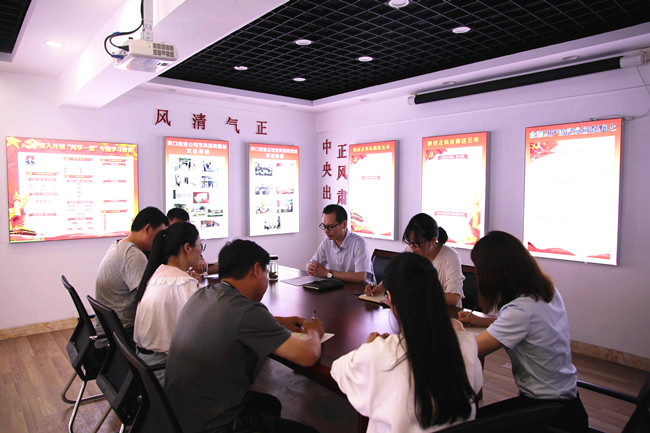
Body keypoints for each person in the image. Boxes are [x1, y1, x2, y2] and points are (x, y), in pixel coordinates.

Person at [165, 239, 324, 433]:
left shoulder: (204, 294)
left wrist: (277, 322)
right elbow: (308, 355)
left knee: (269, 405)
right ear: (256, 270)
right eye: (266, 271)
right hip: (212, 425)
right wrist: (314, 330)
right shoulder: (246, 311)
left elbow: (232, 321)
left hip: (178, 415)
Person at [332, 252, 482, 432]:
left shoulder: (379, 352)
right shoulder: (466, 344)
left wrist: (368, 346)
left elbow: (338, 370)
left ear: (390, 298)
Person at [459, 231, 588, 433]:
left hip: (550, 414)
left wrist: (454, 328)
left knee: (468, 425)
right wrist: (484, 321)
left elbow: (469, 350)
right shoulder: (546, 292)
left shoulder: (520, 310)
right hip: (569, 404)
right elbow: (530, 326)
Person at [133, 222, 203, 385]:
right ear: (187, 248)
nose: (201, 252)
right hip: (163, 371)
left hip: (146, 367)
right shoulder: (182, 283)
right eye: (200, 246)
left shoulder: (159, 274)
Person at [94, 206, 168, 337]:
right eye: (160, 234)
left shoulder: (118, 245)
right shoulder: (133, 255)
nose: (161, 241)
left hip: (109, 328)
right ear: (148, 228)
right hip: (123, 332)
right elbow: (150, 298)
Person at [366, 213, 464, 307]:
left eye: (416, 243)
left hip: (443, 313)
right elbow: (395, 275)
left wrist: (417, 291)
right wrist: (381, 287)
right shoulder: (410, 250)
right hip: (417, 310)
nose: (412, 247)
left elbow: (453, 298)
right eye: (409, 242)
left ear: (433, 241)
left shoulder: (450, 257)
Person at [306, 204, 373, 284]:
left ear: (344, 224)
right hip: (339, 286)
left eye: (331, 227)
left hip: (361, 289)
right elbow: (314, 263)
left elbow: (361, 277)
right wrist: (310, 267)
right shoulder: (326, 242)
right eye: (324, 226)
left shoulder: (359, 243)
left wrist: (327, 273)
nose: (326, 231)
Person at [167, 207, 219, 275]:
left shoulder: (192, 242)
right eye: (177, 227)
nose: (181, 231)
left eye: (185, 227)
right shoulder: (164, 248)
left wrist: (200, 264)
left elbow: (201, 266)